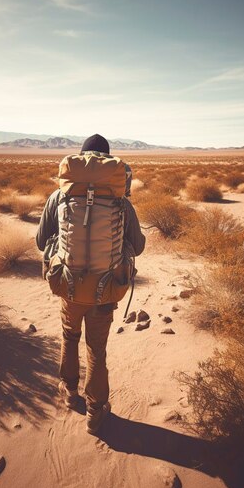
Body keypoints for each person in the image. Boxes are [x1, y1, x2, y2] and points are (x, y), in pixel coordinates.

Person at [36, 134, 145, 434]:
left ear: (81, 159)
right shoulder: (120, 202)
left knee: (69, 336)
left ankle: (70, 392)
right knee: (96, 349)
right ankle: (95, 414)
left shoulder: (60, 197)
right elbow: (137, 246)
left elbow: (39, 240)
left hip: (69, 287)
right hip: (106, 288)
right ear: (109, 162)